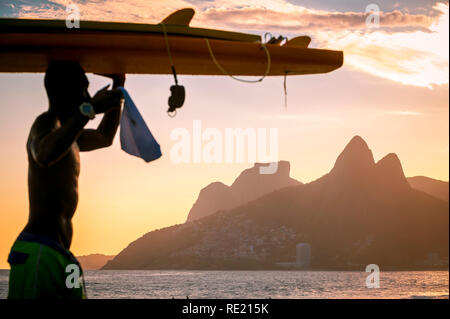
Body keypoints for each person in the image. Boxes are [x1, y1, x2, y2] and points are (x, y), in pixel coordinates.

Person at [7, 61, 125, 299]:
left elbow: (104, 137)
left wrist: (118, 87)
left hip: (61, 254)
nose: (88, 95)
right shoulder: (45, 124)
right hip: (39, 249)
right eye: (83, 89)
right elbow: (44, 153)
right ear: (63, 91)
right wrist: (89, 109)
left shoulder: (72, 136)